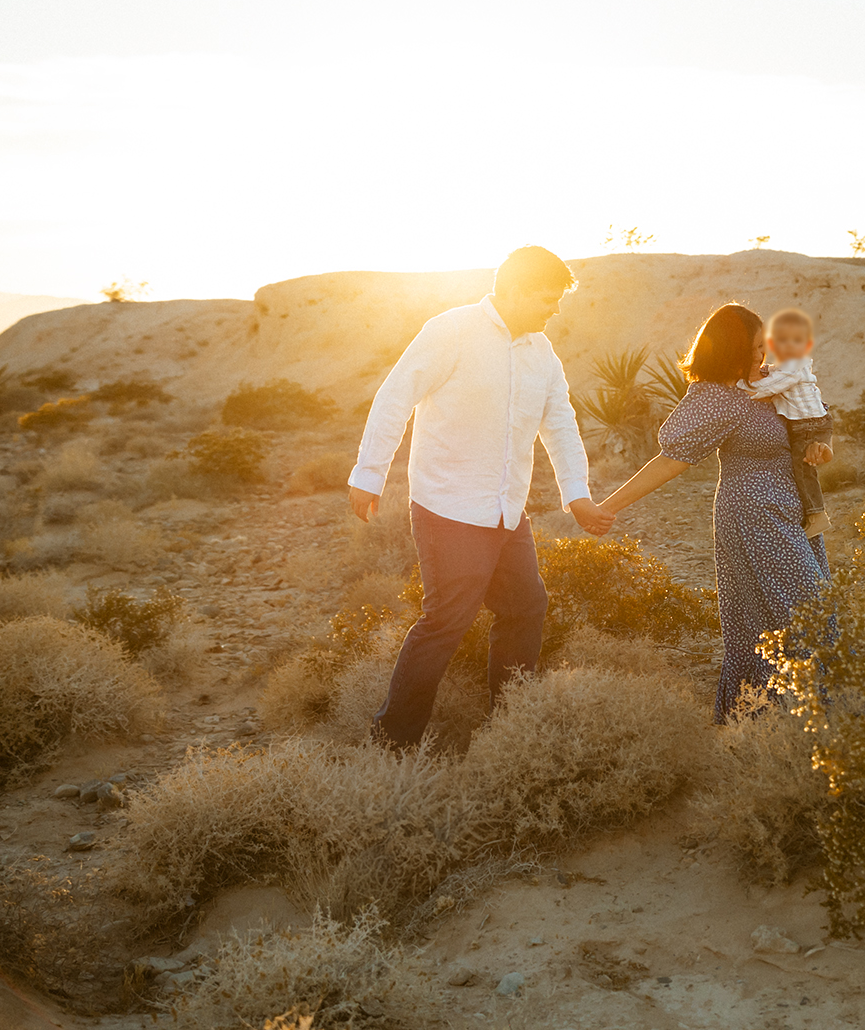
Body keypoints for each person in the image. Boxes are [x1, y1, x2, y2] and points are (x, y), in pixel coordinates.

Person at [347, 246, 614, 749]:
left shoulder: (542, 353)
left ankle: (511, 728)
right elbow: (395, 396)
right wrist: (369, 473)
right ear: (512, 289)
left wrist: (576, 495)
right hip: (447, 505)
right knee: (446, 620)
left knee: (525, 607)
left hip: (507, 511)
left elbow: (561, 425)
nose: (554, 309)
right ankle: (390, 744)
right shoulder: (451, 330)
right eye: (546, 297)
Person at [596, 303, 833, 722]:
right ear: (733, 348)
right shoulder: (715, 398)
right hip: (753, 516)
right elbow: (672, 459)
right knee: (799, 613)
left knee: (810, 610)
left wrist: (819, 447)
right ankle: (768, 720)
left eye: (765, 346)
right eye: (756, 346)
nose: (764, 354)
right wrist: (608, 507)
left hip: (792, 512)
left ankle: (817, 718)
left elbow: (808, 426)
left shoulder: (766, 386)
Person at [740, 307, 832, 536]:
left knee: (802, 469)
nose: (789, 346)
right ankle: (810, 512)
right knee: (802, 467)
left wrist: (741, 388)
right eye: (782, 341)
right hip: (810, 422)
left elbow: (769, 387)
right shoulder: (782, 368)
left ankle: (816, 514)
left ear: (806, 346)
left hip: (808, 424)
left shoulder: (796, 367)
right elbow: (770, 375)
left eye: (796, 341)